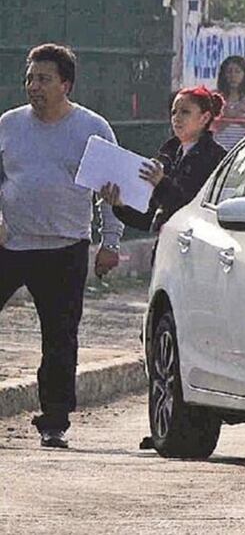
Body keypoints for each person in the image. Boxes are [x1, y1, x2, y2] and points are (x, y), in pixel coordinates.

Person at [0, 43, 122, 448]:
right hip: (11, 244)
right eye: (30, 78)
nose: (34, 86)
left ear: (65, 85)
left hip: (65, 248)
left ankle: (54, 420)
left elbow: (113, 192)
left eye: (44, 79)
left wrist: (110, 243)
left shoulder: (92, 128)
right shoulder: (9, 125)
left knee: (59, 337)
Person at [99, 86, 228, 235]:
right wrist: (120, 206)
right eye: (174, 112)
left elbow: (191, 209)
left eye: (185, 112)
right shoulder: (169, 155)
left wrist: (161, 184)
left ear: (204, 118)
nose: (177, 118)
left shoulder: (215, 158)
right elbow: (149, 219)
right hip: (166, 245)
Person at [212, 55, 245, 150]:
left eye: (237, 72)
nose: (233, 76)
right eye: (229, 72)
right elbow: (211, 127)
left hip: (244, 148)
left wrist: (235, 117)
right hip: (219, 148)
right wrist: (230, 116)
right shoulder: (216, 96)